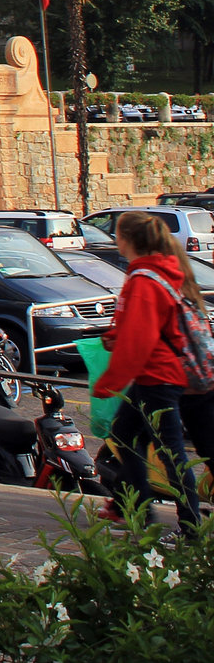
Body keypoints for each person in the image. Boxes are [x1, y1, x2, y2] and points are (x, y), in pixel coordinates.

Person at [93, 210, 204, 530]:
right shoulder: (152, 272)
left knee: (170, 453)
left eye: (117, 235)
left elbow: (140, 338)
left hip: (157, 375)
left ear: (126, 239)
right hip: (154, 374)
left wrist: (110, 382)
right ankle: (136, 507)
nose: (115, 240)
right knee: (125, 435)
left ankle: (190, 525)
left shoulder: (144, 278)